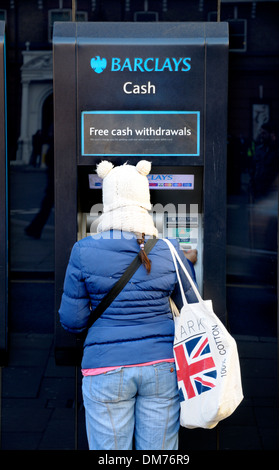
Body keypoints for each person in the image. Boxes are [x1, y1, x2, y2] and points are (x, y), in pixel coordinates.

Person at [58, 160, 199, 450]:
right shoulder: (171, 250)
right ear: (144, 201)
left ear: (107, 202)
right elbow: (192, 308)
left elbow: (72, 321)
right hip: (162, 367)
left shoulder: (83, 250)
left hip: (105, 367)